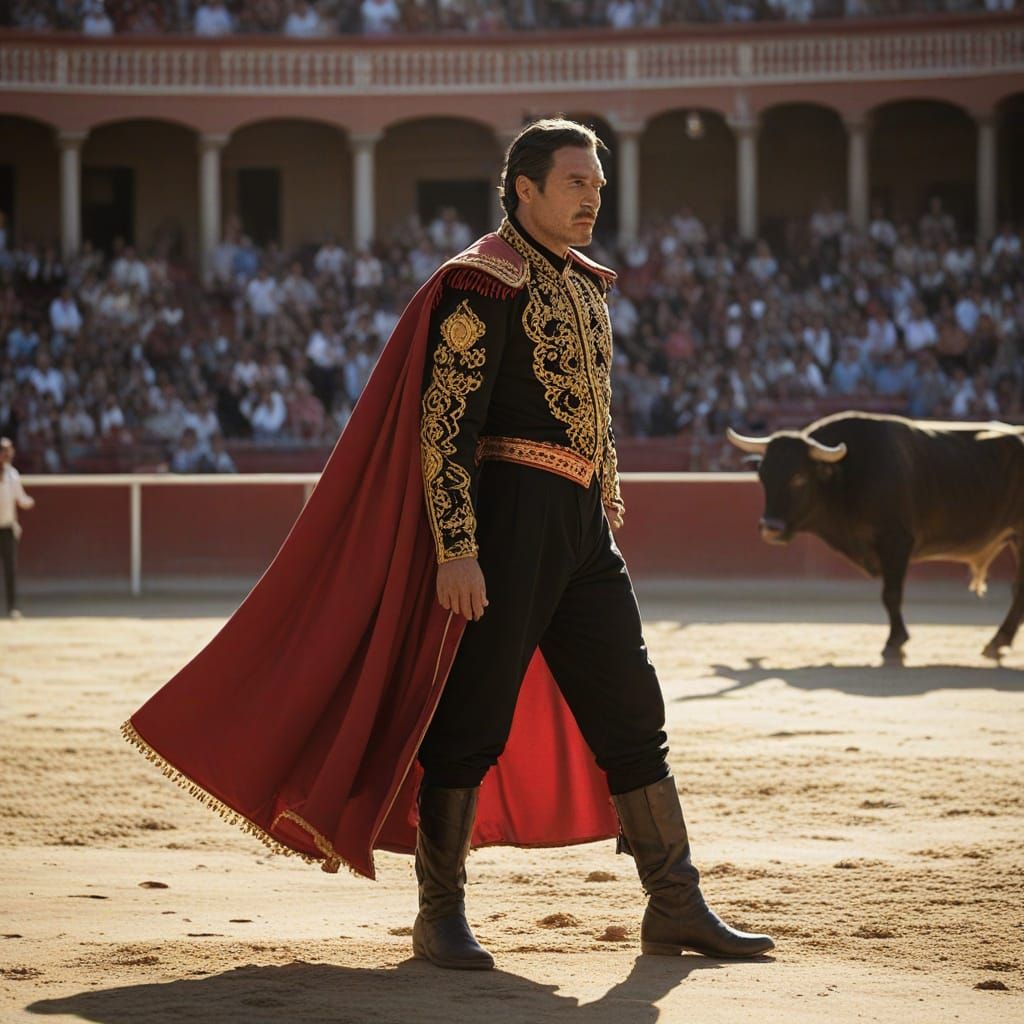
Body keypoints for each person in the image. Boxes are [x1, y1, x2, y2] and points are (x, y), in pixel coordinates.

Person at [122, 119, 772, 974]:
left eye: (598, 185)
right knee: (471, 718)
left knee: (633, 708)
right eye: (576, 183)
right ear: (525, 189)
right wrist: (458, 549)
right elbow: (445, 429)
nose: (593, 199)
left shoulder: (582, 284)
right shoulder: (483, 283)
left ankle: (675, 903)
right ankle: (441, 915)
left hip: (577, 527)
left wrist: (596, 497)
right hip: (506, 526)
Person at [0, 437, 35, 620]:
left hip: (7, 528)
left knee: (10, 570)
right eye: (4, 451)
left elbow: (20, 499)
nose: (7, 454)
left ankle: (12, 607)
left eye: (8, 451)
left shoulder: (12, 475)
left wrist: (29, 502)